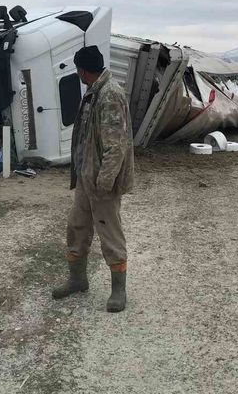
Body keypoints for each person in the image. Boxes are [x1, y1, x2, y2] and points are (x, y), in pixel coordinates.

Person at [52, 45, 135, 312]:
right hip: (87, 178)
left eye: (78, 70)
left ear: (83, 70)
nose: (77, 74)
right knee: (76, 227)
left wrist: (104, 181)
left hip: (101, 182)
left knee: (109, 234)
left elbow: (116, 145)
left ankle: (118, 292)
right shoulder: (95, 91)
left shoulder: (109, 94)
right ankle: (78, 280)